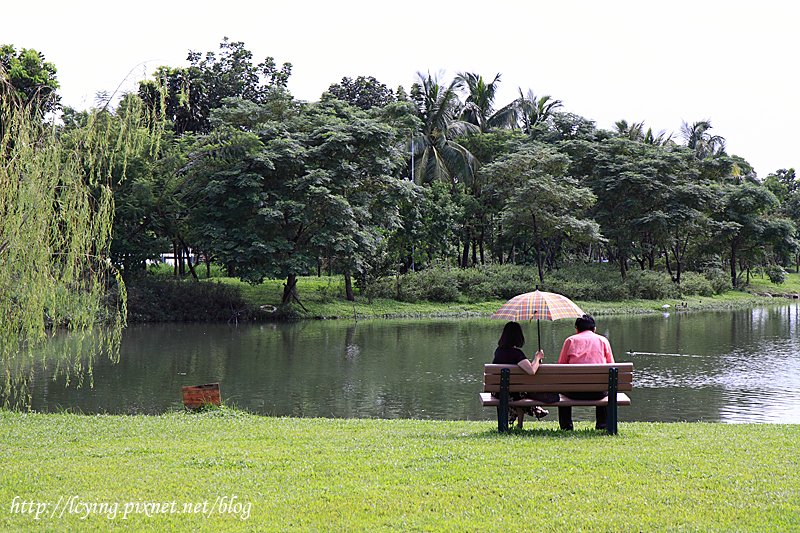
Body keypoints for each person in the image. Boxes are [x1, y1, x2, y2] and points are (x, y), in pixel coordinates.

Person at [557, 314, 615, 430]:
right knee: (605, 384)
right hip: (598, 393)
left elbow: (560, 367)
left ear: (577, 329)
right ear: (594, 329)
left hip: (573, 392)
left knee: (561, 390)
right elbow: (611, 367)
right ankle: (602, 425)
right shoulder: (603, 341)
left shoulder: (570, 341)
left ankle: (566, 426)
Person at [492, 321, 551, 425]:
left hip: (498, 392)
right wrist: (537, 358)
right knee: (522, 393)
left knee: (519, 391)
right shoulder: (516, 353)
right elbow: (531, 371)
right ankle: (529, 414)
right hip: (514, 393)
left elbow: (528, 367)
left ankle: (530, 411)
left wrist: (535, 361)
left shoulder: (498, 351)